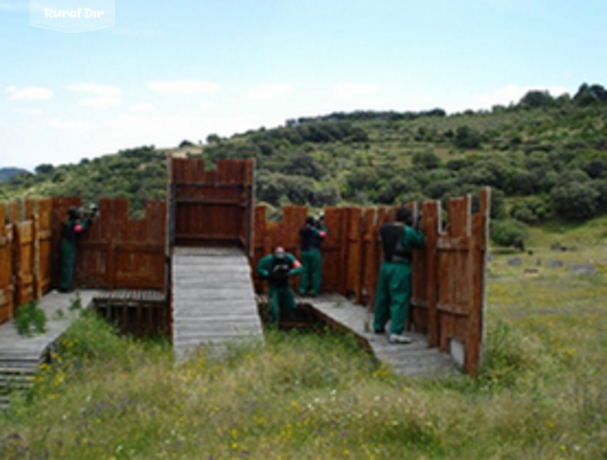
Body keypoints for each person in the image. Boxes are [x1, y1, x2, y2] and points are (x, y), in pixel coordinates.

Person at [373, 207, 424, 344]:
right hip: (400, 267)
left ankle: (378, 325)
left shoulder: (384, 228)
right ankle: (395, 332)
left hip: (386, 266)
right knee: (399, 299)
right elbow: (420, 242)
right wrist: (418, 230)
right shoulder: (406, 231)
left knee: (382, 297)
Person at [257, 246, 304, 323]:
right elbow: (259, 270)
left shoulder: (289, 257)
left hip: (285, 285)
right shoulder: (267, 260)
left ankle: (290, 322)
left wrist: (290, 272)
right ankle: (273, 325)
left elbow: (300, 267)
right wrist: (268, 274)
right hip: (273, 285)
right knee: (274, 308)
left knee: (291, 305)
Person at [58, 205, 95, 293]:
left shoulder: (69, 222)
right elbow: (79, 229)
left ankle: (66, 285)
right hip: (68, 245)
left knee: (68, 266)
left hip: (68, 244)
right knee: (67, 266)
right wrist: (86, 222)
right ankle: (65, 286)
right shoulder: (71, 224)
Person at [298, 216, 327, 297]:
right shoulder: (316, 230)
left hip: (304, 252)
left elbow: (302, 232)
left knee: (304, 272)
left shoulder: (303, 230)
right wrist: (319, 227)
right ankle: (314, 291)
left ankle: (302, 290)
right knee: (316, 272)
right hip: (314, 251)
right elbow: (323, 234)